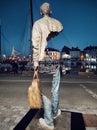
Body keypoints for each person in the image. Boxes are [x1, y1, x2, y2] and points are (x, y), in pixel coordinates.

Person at [32, 2, 63, 130]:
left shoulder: (38, 24)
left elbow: (36, 45)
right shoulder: (58, 24)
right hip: (56, 62)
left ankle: (49, 121)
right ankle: (55, 112)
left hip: (43, 61)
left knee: (44, 93)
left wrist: (35, 64)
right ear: (50, 11)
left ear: (41, 12)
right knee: (55, 88)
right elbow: (58, 29)